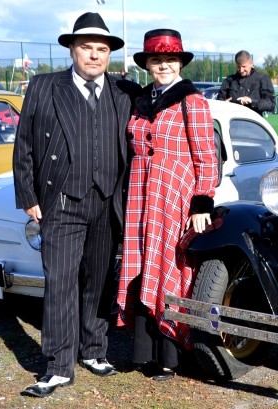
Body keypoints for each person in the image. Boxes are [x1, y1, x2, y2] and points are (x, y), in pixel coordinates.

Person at [13, 12, 132, 397]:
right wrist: (28, 196)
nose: (94, 56)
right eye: (87, 48)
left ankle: (94, 350)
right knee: (61, 282)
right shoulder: (44, 86)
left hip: (108, 202)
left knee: (98, 281)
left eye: (101, 49)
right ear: (72, 49)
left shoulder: (122, 91)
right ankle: (59, 364)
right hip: (61, 202)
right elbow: (25, 145)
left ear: (109, 54)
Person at [116, 28, 219, 382]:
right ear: (147, 64)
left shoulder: (192, 101)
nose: (163, 65)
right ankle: (144, 353)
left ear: (179, 63)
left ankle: (170, 356)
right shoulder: (142, 100)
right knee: (144, 265)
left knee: (168, 267)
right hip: (141, 196)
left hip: (173, 196)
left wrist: (202, 201)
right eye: (156, 60)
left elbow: (207, 156)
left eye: (169, 59)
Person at [216, 50, 274, 115]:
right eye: (238, 67)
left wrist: (251, 101)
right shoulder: (229, 80)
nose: (241, 70)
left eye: (244, 67)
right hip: (233, 121)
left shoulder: (262, 79)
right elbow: (219, 101)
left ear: (251, 64)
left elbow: (270, 104)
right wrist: (223, 104)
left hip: (253, 122)